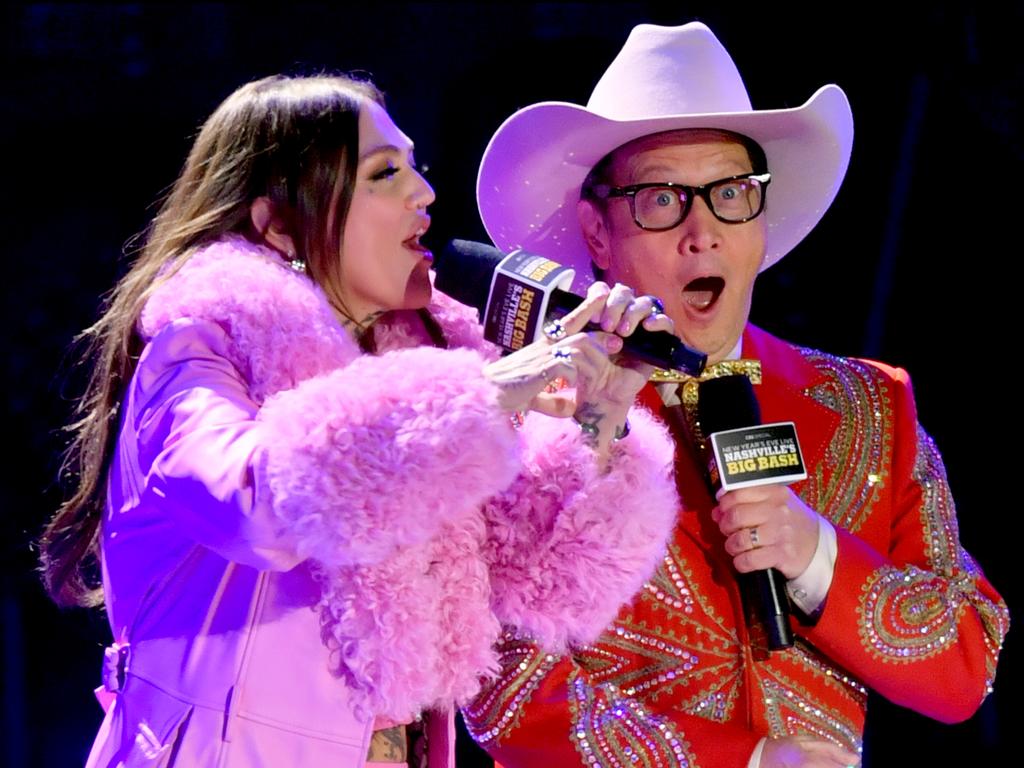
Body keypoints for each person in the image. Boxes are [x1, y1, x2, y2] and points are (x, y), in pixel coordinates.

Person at [38, 73, 683, 767]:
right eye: (385, 173)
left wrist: (602, 411)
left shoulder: (422, 360)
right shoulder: (195, 349)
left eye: (416, 169)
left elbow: (543, 571)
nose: (425, 194)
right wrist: (484, 392)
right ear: (279, 223)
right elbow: (260, 502)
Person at [463, 22, 1009, 768]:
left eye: (728, 194)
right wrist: (747, 762)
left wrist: (813, 554)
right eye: (660, 199)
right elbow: (506, 687)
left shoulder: (867, 406)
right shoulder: (529, 408)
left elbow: (966, 664)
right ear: (597, 228)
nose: (702, 232)